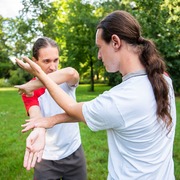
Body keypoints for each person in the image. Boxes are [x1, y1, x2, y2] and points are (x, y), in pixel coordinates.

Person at [16, 10, 176, 180]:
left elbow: (72, 104)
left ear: (115, 42)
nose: (99, 56)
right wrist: (45, 123)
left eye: (100, 47)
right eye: (46, 61)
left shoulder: (119, 100)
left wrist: (38, 77)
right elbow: (81, 112)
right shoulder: (163, 79)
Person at [15, 37, 87, 180]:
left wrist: (35, 83)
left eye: (56, 60)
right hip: (45, 157)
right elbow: (36, 116)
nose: (53, 66)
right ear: (34, 62)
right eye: (46, 61)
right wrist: (39, 129)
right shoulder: (28, 90)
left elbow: (72, 73)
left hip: (74, 151)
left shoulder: (65, 80)